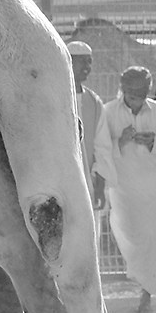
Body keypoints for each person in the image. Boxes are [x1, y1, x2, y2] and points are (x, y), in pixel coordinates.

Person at [94, 64, 156, 313]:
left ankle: (146, 297)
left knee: (155, 240)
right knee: (132, 238)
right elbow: (102, 151)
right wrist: (122, 140)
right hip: (125, 190)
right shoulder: (107, 112)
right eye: (131, 95)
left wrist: (153, 142)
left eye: (141, 95)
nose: (136, 100)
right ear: (123, 91)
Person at [67, 40, 105, 210]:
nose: (87, 66)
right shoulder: (54, 98)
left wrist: (100, 185)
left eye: (89, 61)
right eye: (82, 61)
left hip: (88, 183)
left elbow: (103, 147)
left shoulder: (94, 102)